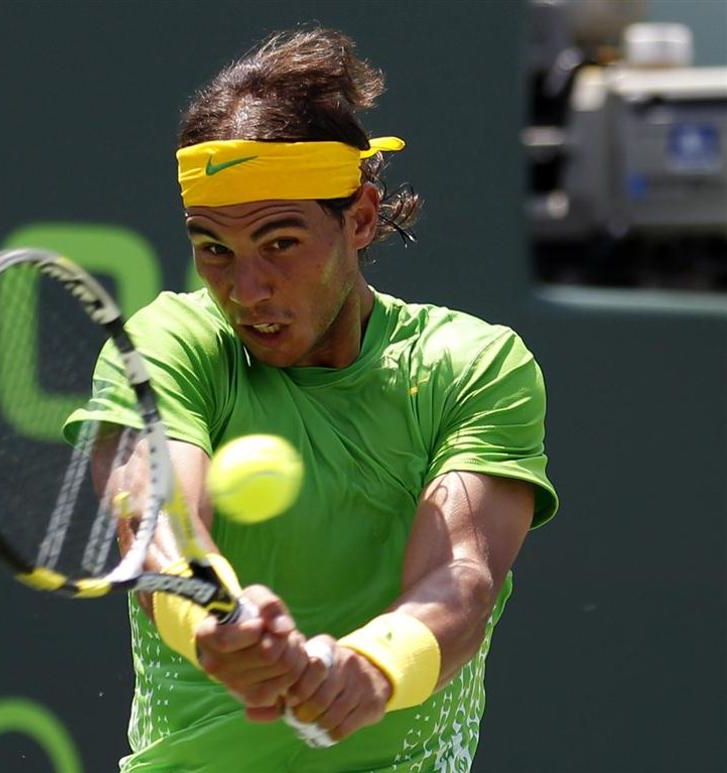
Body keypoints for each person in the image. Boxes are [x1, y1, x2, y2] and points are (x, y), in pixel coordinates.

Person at [66, 27, 558, 772]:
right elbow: (160, 528)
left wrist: (371, 666)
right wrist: (213, 618)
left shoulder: (470, 365)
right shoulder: (165, 345)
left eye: (280, 243)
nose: (246, 289)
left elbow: (462, 578)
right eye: (214, 248)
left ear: (359, 217)